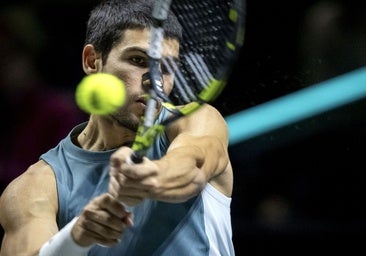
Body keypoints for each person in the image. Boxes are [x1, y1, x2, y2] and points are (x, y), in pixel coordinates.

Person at [0, 0, 235, 255]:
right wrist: (77, 236)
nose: (155, 82)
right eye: (138, 60)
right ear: (92, 61)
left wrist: (151, 176)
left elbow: (193, 165)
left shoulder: (195, 121)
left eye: (166, 68)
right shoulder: (35, 187)